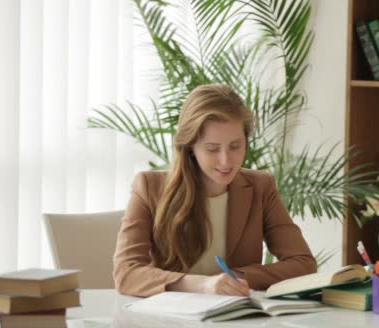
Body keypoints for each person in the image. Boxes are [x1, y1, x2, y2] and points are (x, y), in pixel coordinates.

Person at [113, 84, 317, 298]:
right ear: (190, 146)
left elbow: (303, 264)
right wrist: (201, 285)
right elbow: (127, 273)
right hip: (169, 320)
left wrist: (234, 279)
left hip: (232, 321)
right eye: (212, 148)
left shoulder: (260, 187)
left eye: (236, 146)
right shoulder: (148, 187)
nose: (226, 160)